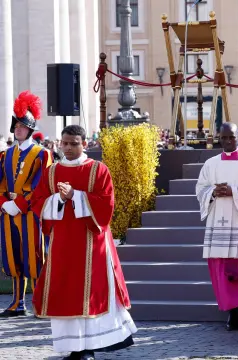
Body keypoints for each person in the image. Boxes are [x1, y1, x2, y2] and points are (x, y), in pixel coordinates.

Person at [31, 125, 136, 360]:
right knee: (65, 291)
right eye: (64, 143)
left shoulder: (99, 170)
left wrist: (75, 196)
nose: (67, 148)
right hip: (62, 244)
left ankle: (89, 347)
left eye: (73, 143)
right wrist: (59, 198)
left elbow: (106, 204)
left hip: (92, 241)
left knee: (91, 291)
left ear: (84, 144)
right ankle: (73, 347)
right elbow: (37, 201)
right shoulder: (51, 172)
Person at [195, 122, 238, 331]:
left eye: (231, 137)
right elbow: (200, 188)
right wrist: (213, 193)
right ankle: (231, 312)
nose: (226, 141)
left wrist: (234, 190)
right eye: (223, 138)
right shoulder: (210, 164)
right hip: (219, 220)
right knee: (223, 269)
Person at [0, 91, 51, 318]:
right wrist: (4, 203)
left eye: (22, 126)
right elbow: (0, 182)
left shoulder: (42, 154)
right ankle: (17, 303)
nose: (18, 129)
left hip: (30, 212)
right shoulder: (5, 154)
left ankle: (40, 303)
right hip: (8, 212)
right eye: (16, 126)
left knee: (34, 257)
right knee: (13, 257)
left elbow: (41, 185)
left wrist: (19, 204)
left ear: (30, 128)